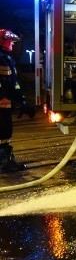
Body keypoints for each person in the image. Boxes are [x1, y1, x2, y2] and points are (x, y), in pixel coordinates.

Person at [0, 29, 35, 173]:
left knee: (5, 132)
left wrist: (22, 101)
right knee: (4, 133)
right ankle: (4, 162)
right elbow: (7, 84)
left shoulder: (6, 58)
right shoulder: (2, 59)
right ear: (4, 41)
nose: (13, 45)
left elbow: (13, 84)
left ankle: (5, 160)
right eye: (11, 42)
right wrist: (19, 101)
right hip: (1, 104)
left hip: (4, 104)